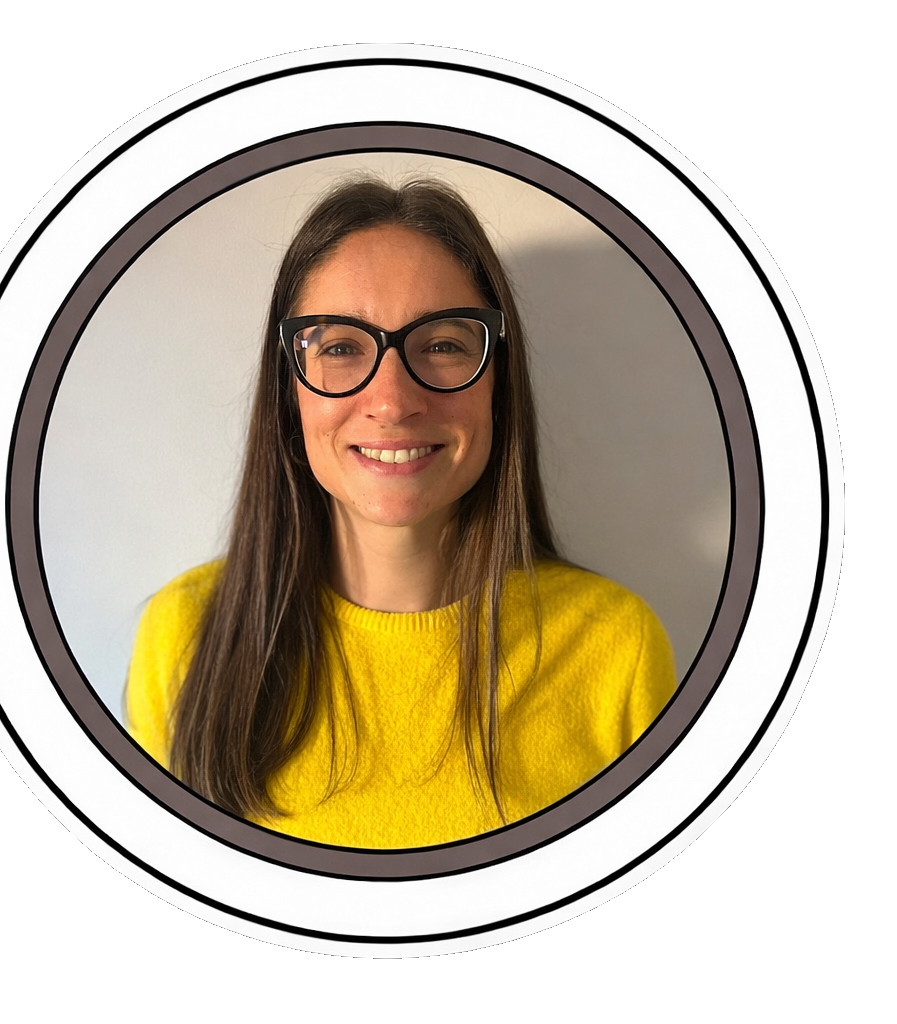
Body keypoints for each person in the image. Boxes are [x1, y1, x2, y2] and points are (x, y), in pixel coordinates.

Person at [126, 177, 676, 849]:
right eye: (340, 347)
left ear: (498, 380)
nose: (391, 401)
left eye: (442, 345)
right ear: (289, 388)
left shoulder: (618, 648)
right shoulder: (185, 635)